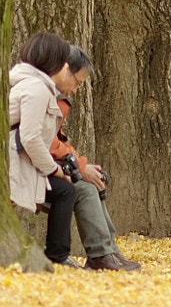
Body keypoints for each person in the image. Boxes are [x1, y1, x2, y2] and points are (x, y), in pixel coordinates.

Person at [52, 48, 140, 271]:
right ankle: (100, 254)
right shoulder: (44, 96)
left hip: (46, 165)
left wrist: (81, 163)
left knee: (94, 182)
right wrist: (79, 166)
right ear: (64, 70)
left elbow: (54, 140)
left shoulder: (55, 98)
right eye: (77, 82)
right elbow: (42, 141)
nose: (75, 90)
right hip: (35, 171)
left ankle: (108, 250)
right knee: (86, 189)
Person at [7, 32, 82, 267]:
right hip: (15, 160)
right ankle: (57, 256)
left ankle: (58, 254)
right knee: (64, 190)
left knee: (64, 192)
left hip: (20, 158)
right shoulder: (37, 88)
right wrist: (54, 170)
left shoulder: (30, 83)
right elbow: (30, 137)